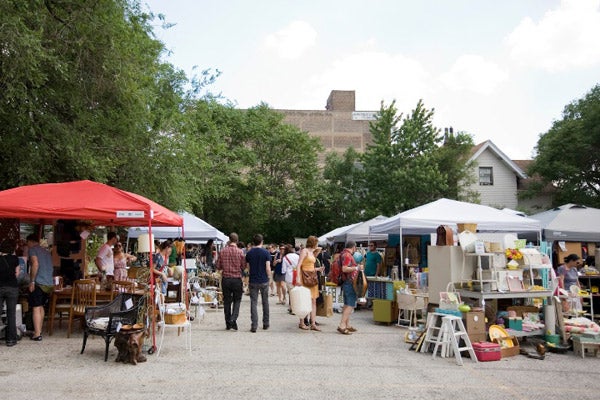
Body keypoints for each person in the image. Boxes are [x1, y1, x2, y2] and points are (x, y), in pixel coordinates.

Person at [26, 234, 54, 341]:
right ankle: (39, 330)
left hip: (39, 282)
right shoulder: (46, 252)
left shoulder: (33, 250)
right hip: (48, 283)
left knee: (36, 307)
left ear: (30, 241)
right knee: (41, 306)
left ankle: (37, 334)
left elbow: (35, 264)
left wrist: (32, 281)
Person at [216, 233, 246, 331]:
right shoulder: (240, 252)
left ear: (229, 239)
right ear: (237, 241)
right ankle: (233, 318)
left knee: (227, 301)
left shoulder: (222, 251)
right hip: (237, 279)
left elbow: (218, 266)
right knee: (237, 300)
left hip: (226, 279)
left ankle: (228, 323)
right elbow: (243, 266)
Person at [245, 234, 271, 332]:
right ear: (262, 241)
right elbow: (268, 268)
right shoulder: (266, 253)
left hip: (253, 280)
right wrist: (269, 277)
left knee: (253, 303)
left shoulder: (249, 253)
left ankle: (254, 325)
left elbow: (248, 268)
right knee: (265, 302)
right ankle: (266, 323)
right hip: (263, 280)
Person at [296, 235, 321, 331]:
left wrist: (318, 269)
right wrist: (298, 278)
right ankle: (302, 322)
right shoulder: (305, 251)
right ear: (313, 243)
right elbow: (299, 265)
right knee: (304, 300)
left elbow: (311, 264)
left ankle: (313, 323)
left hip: (312, 276)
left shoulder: (311, 252)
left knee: (313, 300)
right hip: (304, 277)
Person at [337, 240, 362, 335]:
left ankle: (347, 324)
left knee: (347, 304)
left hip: (345, 281)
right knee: (350, 304)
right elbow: (345, 268)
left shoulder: (343, 254)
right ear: (353, 247)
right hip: (349, 282)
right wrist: (357, 268)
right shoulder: (347, 255)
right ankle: (342, 325)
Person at [0, 240, 20, 346]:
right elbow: (17, 273)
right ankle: (11, 340)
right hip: (12, 287)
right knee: (11, 314)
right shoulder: (14, 259)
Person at [281, 244, 299, 312]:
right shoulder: (297, 256)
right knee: (296, 292)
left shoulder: (285, 257)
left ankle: (292, 307)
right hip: (297, 275)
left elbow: (284, 270)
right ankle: (297, 307)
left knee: (291, 293)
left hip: (289, 276)